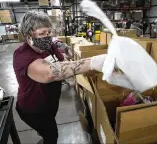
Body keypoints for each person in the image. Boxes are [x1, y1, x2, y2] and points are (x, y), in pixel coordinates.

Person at [13, 11, 107, 144]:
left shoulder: (48, 46)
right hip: (33, 109)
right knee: (52, 135)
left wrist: (60, 45)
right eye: (41, 33)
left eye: (48, 32)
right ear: (28, 36)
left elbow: (62, 60)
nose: (46, 37)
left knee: (47, 130)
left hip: (49, 103)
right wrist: (93, 62)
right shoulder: (22, 55)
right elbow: (49, 73)